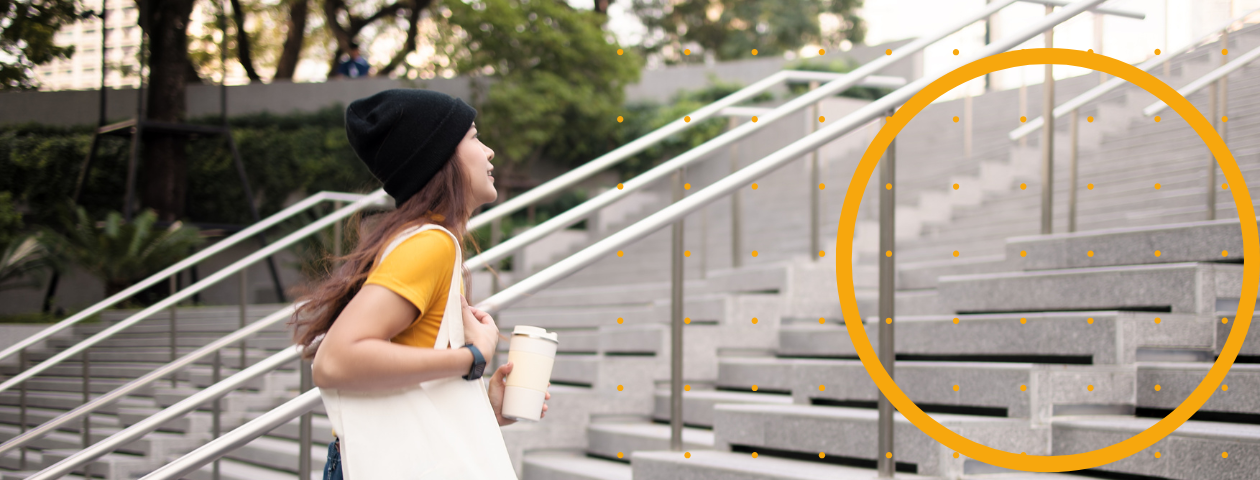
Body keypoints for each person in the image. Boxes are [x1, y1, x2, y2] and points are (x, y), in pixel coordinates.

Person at [289, 89, 548, 479]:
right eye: (475, 137)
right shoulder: (431, 244)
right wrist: (473, 357)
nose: (489, 151)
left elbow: (406, 380)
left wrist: (486, 403)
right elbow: (335, 360)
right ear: (441, 155)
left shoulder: (420, 240)